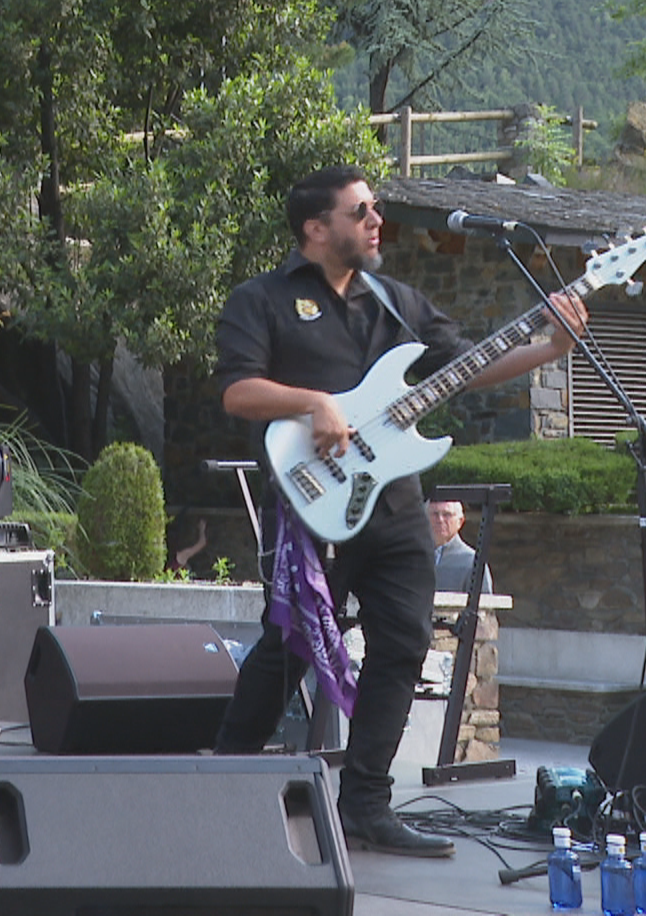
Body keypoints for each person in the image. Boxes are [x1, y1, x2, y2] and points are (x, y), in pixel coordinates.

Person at [211, 164, 585, 858]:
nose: (376, 220)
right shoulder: (261, 299)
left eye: (376, 208)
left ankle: (366, 805)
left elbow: (467, 365)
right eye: (361, 212)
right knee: (291, 643)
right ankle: (228, 771)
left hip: (394, 507)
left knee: (404, 644)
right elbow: (238, 392)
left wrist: (553, 346)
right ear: (317, 229)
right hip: (312, 504)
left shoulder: (395, 301)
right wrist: (313, 402)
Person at [427, 499, 493, 595]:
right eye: (435, 514)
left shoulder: (473, 562)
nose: (440, 519)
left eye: (447, 514)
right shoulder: (413, 558)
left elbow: (484, 606)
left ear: (460, 521)